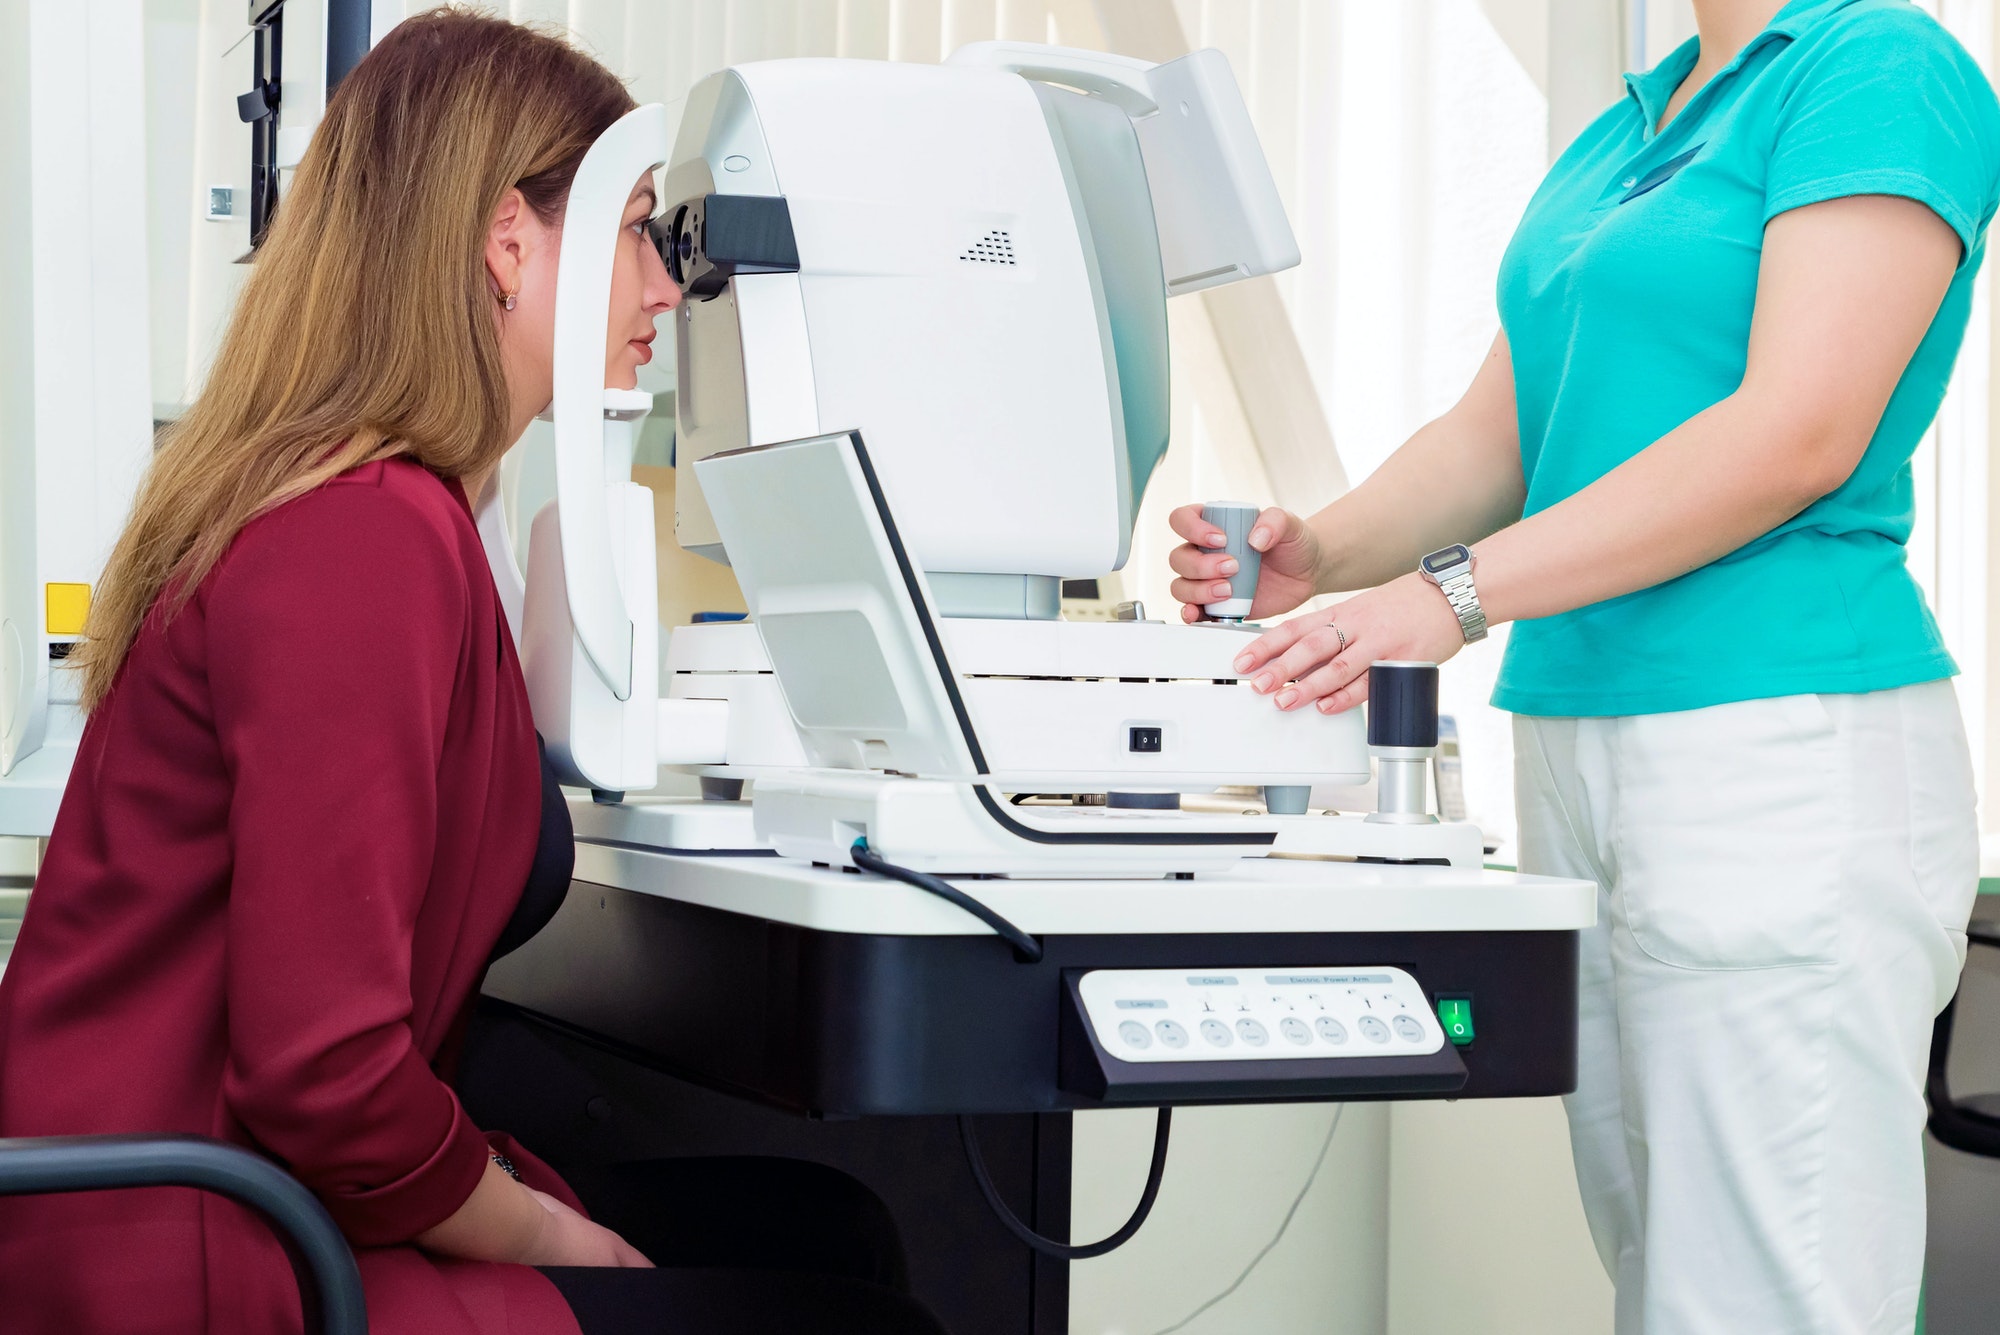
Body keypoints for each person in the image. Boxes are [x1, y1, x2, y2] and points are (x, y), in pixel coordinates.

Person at [0, 12, 945, 1335]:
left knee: (829, 1229)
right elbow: (322, 1075)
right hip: (214, 1252)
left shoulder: (398, 510)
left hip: (248, 1196)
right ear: (510, 238)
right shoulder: (357, 535)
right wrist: (542, 1228)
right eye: (636, 234)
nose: (666, 293)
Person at [1168, 1, 1998, 1330]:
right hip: (1577, 739)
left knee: (1766, 1298)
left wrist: (1450, 597)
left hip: (1778, 740)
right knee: (1654, 1272)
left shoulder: (1877, 65)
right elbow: (1500, 435)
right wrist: (1322, 552)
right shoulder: (1638, 120)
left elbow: (1799, 432)